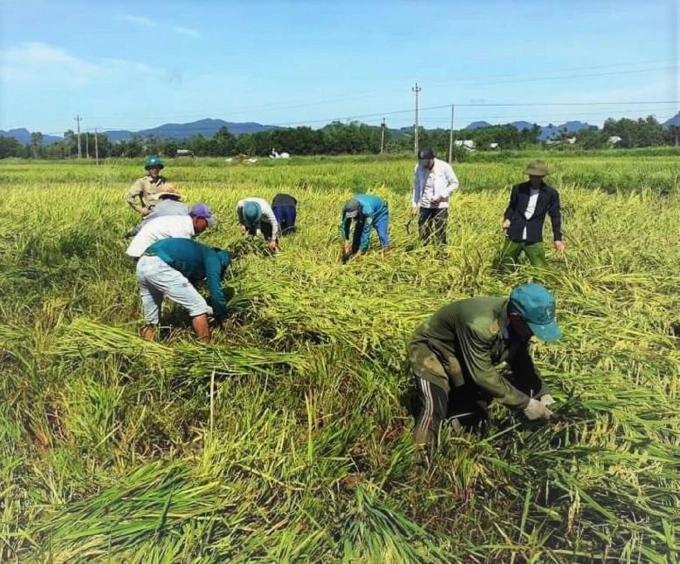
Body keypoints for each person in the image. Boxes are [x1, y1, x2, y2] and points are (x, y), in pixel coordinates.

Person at [409, 283, 560, 447]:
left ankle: (455, 431)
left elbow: (520, 359)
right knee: (433, 407)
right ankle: (418, 456)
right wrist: (525, 403)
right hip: (433, 351)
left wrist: (542, 393)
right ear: (516, 317)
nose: (533, 334)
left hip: (466, 358)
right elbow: (483, 375)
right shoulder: (480, 324)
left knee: (476, 417)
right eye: (532, 328)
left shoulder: (519, 325)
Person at [136, 238, 232, 343]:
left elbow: (188, 286)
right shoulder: (214, 258)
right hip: (159, 264)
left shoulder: (200, 253)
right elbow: (216, 293)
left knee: (151, 320)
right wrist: (222, 315)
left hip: (143, 261)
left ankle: (146, 351)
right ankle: (206, 351)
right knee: (198, 307)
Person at [499, 160, 565, 268]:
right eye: (532, 176)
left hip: (533, 234)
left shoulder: (550, 193)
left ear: (542, 176)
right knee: (506, 265)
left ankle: (540, 284)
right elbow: (512, 207)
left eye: (537, 176)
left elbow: (555, 216)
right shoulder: (518, 189)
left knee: (541, 268)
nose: (534, 179)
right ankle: (505, 284)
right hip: (515, 233)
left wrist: (557, 239)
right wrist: (507, 218)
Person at [126, 203, 216, 259]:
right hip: (140, 255)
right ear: (197, 219)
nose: (207, 226)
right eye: (206, 223)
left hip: (145, 252)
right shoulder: (182, 227)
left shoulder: (182, 222)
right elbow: (184, 253)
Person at [411, 147, 460, 245]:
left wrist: (442, 195)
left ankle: (441, 254)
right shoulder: (418, 167)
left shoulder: (444, 166)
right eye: (422, 163)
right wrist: (414, 205)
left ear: (432, 159)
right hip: (424, 204)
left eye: (426, 163)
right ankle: (425, 252)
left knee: (440, 231)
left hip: (440, 206)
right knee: (423, 230)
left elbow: (455, 183)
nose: (424, 166)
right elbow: (416, 186)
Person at [340, 194, 389, 261]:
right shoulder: (347, 208)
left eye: (353, 214)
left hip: (380, 212)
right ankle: (354, 251)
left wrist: (360, 251)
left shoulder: (368, 212)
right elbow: (345, 225)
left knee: (382, 235)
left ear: (359, 209)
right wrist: (346, 241)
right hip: (362, 212)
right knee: (357, 232)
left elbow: (366, 232)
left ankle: (386, 255)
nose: (352, 217)